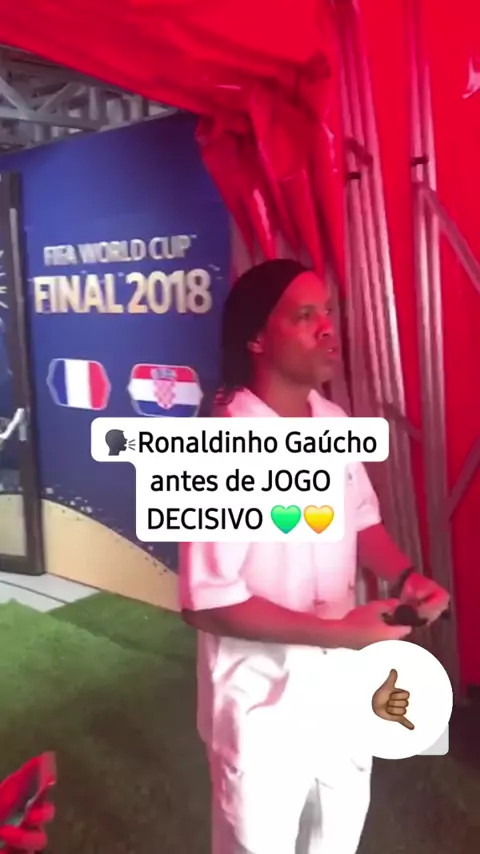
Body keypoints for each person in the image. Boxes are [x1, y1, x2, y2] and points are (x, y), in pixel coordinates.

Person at [179, 259, 450, 854]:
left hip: (342, 691)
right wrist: (338, 632)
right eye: (305, 316)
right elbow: (206, 605)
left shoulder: (332, 422)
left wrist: (407, 578)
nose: (328, 327)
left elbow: (361, 521)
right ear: (256, 337)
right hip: (262, 704)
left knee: (338, 837)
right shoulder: (222, 442)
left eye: (327, 311)